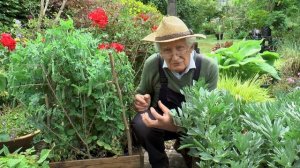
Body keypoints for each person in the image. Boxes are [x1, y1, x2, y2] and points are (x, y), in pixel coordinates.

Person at [131, 16, 218, 168]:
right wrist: (140, 101)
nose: (175, 56)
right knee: (141, 123)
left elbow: (210, 114)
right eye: (167, 50)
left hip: (195, 125)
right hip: (159, 124)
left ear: (191, 47)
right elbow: (140, 94)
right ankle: (159, 162)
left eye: (180, 48)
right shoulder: (153, 64)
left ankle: (188, 150)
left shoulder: (208, 67)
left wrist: (177, 125)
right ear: (160, 52)